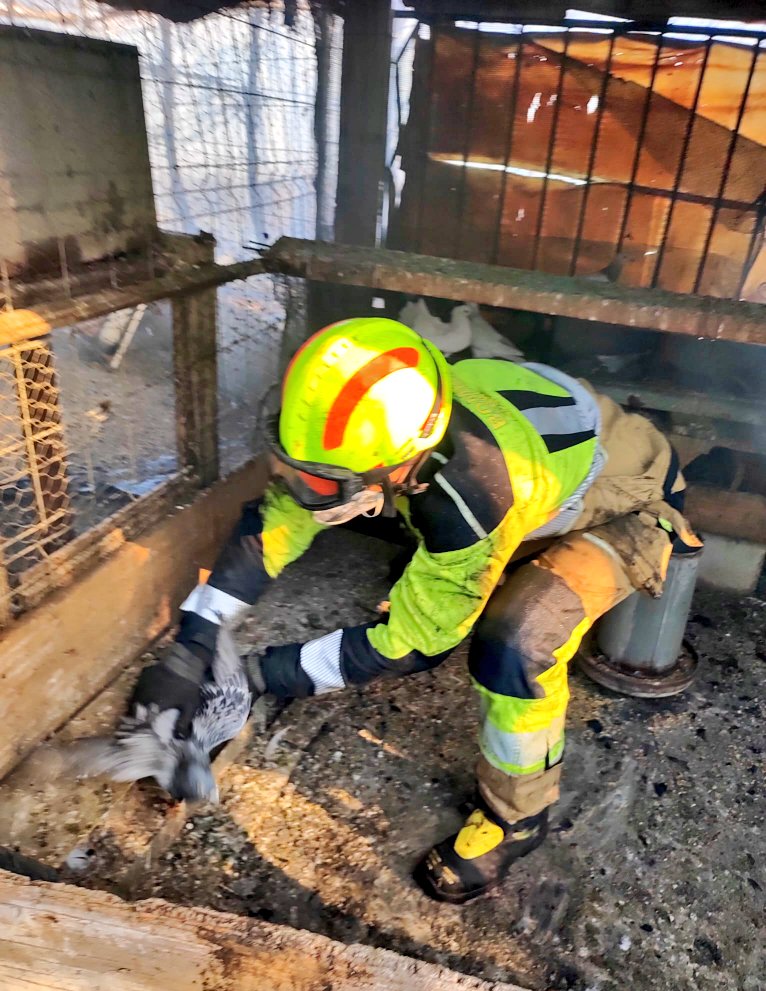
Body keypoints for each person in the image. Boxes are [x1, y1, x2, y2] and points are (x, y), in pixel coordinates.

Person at [132, 317, 700, 904]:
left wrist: (251, 675)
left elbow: (408, 646)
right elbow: (279, 520)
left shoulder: (473, 495)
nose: (298, 486)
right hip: (553, 466)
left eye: (324, 483)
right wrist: (192, 646)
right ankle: (477, 560)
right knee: (430, 562)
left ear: (402, 464)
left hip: (632, 500)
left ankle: (519, 818)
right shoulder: (393, 419)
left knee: (517, 640)